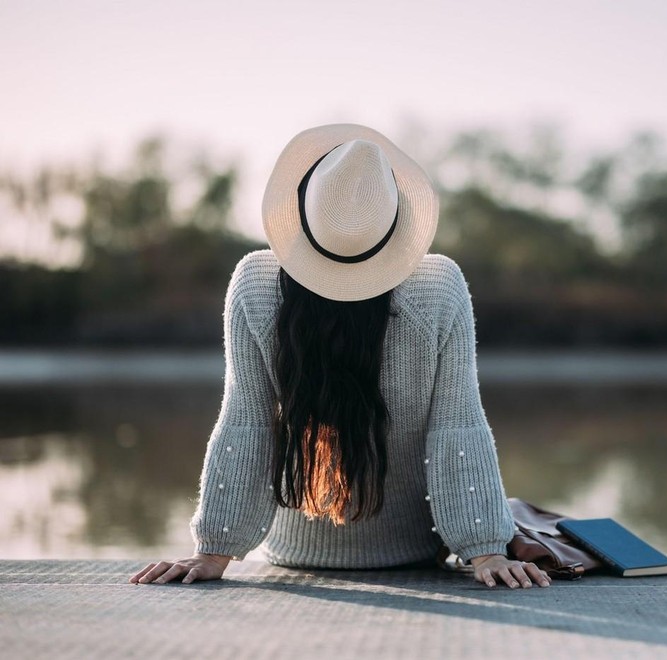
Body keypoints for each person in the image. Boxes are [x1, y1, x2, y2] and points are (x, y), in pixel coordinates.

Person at [129, 124, 550, 590]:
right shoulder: (439, 287)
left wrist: (213, 551)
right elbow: (457, 425)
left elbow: (245, 421)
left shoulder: (255, 283)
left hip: (291, 556)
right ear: (399, 219)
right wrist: (484, 550)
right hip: (413, 555)